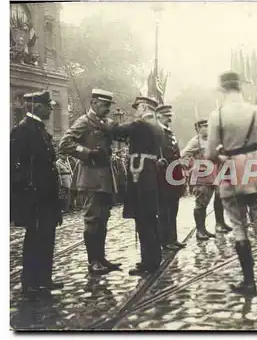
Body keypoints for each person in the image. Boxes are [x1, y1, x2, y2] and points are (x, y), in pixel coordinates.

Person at [205, 71, 257, 300]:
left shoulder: (216, 115)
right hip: (256, 169)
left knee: (239, 226)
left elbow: (209, 154)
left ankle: (249, 282)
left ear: (223, 91)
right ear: (240, 88)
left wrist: (221, 156)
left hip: (231, 170)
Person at [59, 89, 121, 275]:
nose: (107, 109)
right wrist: (87, 152)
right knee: (92, 220)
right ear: (93, 103)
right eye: (104, 105)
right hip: (91, 177)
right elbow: (65, 143)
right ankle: (93, 261)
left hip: (106, 177)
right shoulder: (83, 122)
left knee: (103, 219)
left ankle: (101, 258)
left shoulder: (107, 123)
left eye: (109, 106)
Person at [11, 91, 64, 295]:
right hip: (33, 195)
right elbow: (14, 165)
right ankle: (30, 281)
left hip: (47, 195)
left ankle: (44, 278)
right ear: (35, 106)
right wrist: (26, 189)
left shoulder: (40, 130)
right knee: (34, 237)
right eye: (47, 106)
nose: (50, 109)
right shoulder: (22, 131)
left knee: (47, 236)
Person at [108, 96, 163, 276]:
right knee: (151, 219)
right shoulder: (156, 126)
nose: (135, 112)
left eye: (137, 108)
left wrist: (108, 122)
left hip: (140, 176)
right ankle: (154, 258)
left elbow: (116, 130)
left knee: (143, 219)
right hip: (150, 175)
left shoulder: (141, 124)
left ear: (144, 107)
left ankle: (148, 263)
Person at [181, 119, 225, 240]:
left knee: (206, 203)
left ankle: (204, 229)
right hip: (200, 176)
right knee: (200, 203)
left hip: (212, 175)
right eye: (204, 126)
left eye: (208, 126)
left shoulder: (211, 141)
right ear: (198, 128)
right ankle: (199, 231)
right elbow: (184, 155)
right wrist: (191, 167)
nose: (207, 128)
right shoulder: (195, 142)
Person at [156, 104, 188, 251]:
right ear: (158, 116)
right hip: (162, 176)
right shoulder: (157, 133)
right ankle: (165, 240)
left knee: (173, 208)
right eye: (166, 116)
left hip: (174, 175)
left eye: (170, 115)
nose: (169, 118)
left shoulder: (170, 133)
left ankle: (173, 238)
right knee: (164, 210)